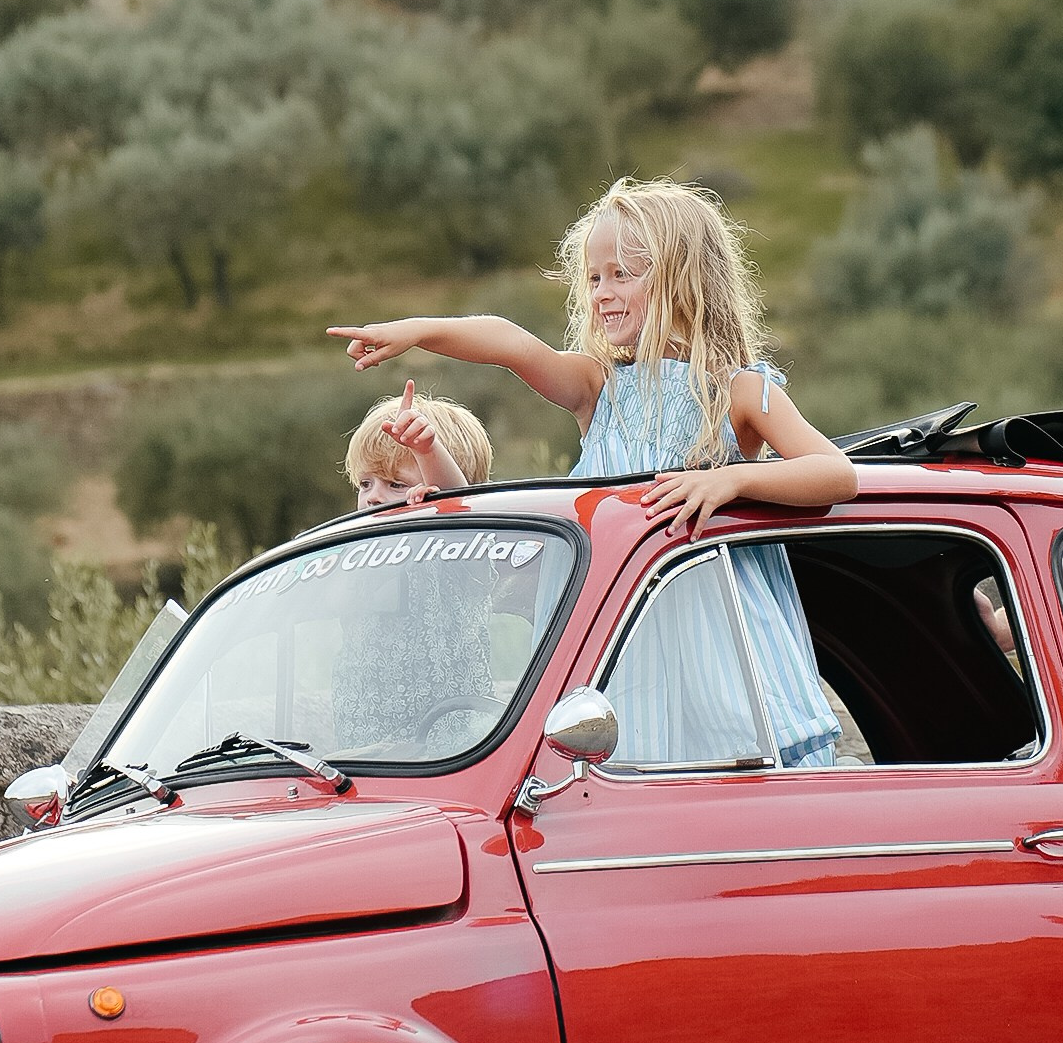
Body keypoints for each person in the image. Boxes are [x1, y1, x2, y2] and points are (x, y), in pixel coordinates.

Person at [332, 175, 857, 766]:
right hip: (623, 642)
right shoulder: (596, 387)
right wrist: (418, 332)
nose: (602, 292)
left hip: (722, 641)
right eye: (593, 278)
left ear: (681, 280)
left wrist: (731, 478)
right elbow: (512, 343)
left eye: (622, 275)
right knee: (625, 781)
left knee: (738, 781)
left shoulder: (740, 391)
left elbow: (834, 474)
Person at [347, 381, 492, 512]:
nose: (372, 498)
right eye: (365, 484)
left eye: (396, 485)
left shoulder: (454, 531)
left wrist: (428, 452)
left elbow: (457, 504)